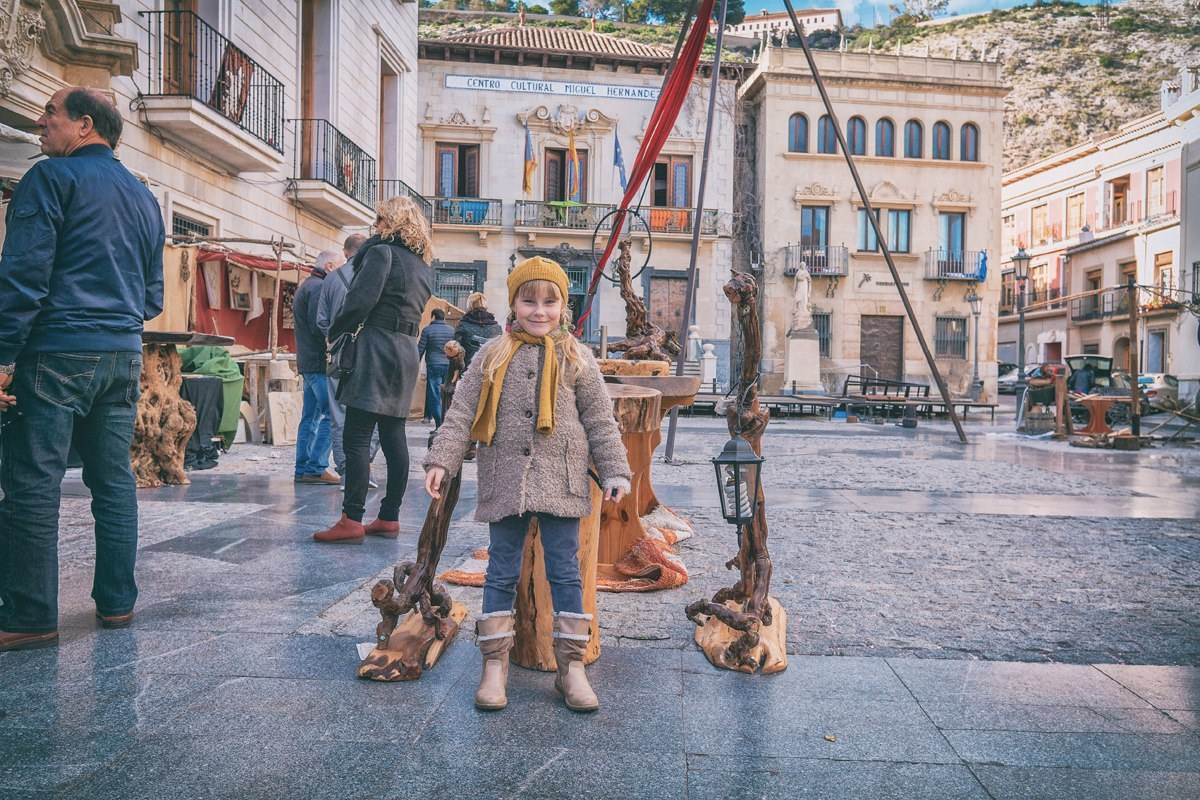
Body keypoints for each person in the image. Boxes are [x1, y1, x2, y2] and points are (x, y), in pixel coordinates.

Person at [423, 257, 631, 713]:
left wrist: (615, 470)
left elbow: (600, 419)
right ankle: (494, 666)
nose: (539, 311)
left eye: (549, 301)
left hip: (562, 479)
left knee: (565, 571)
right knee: (500, 570)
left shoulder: (577, 356)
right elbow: (460, 412)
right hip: (506, 479)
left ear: (563, 306)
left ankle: (570, 668)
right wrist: (442, 459)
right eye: (528, 300)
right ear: (513, 303)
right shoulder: (491, 353)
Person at [0, 87, 165, 651]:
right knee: (114, 481)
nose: (40, 122)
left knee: (32, 482)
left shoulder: (49, 179)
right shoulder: (144, 198)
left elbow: (23, 276)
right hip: (122, 354)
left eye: (51, 113)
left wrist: (2, 353)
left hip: (57, 350)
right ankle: (117, 605)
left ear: (85, 125)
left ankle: (28, 616)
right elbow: (152, 297)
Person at [312, 197, 433, 544]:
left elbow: (360, 301)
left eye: (379, 220)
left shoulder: (381, 253)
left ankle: (351, 519)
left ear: (390, 221)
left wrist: (335, 331)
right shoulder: (423, 264)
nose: (374, 226)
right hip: (406, 349)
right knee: (395, 436)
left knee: (357, 435)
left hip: (377, 347)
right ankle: (389, 516)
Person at [315, 233, 377, 487]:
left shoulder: (331, 279)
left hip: (340, 354)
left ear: (346, 251)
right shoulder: (375, 275)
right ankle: (365, 465)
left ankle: (347, 471)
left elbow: (321, 321)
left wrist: (336, 336)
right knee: (373, 409)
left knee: (339, 415)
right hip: (372, 353)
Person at [292, 249, 340, 485]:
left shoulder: (306, 285)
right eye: (339, 267)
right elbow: (318, 323)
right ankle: (316, 466)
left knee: (310, 417)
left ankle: (302, 468)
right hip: (318, 363)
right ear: (330, 266)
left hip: (307, 361)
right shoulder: (319, 287)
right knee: (332, 415)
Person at [417, 308, 455, 428]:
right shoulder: (451, 331)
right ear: (443, 317)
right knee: (445, 394)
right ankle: (445, 422)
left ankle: (439, 424)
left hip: (433, 365)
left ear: (433, 316)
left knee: (434, 395)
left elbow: (420, 350)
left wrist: (414, 364)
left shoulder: (427, 330)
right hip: (448, 365)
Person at [454, 291, 503, 367]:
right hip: (490, 369)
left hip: (468, 369)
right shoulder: (497, 328)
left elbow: (456, 352)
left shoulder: (463, 326)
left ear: (470, 305)